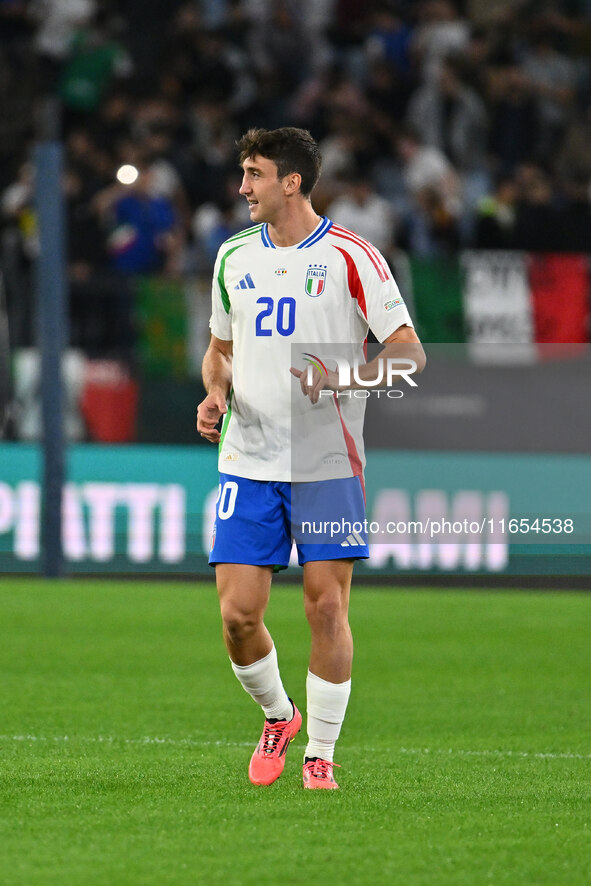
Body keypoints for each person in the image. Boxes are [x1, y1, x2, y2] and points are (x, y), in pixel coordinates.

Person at [196, 127, 424, 790]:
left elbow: (408, 356)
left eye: (254, 174)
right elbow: (219, 349)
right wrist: (214, 392)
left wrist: (342, 380)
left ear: (291, 181)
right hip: (247, 457)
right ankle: (279, 716)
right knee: (238, 615)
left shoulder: (353, 256)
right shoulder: (232, 256)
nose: (243, 188)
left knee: (325, 607)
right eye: (244, 174)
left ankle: (319, 753)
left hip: (327, 462)